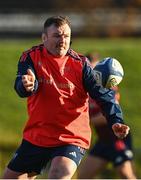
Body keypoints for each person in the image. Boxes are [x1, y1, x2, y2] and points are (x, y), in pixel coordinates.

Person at [2, 16, 129, 179]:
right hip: (38, 136)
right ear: (44, 37)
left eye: (67, 36)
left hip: (70, 137)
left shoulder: (81, 64)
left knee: (58, 174)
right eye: (57, 35)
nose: (63, 40)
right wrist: (25, 85)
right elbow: (23, 82)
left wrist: (116, 120)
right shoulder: (30, 57)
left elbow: (104, 95)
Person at [78, 53, 136, 179]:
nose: (95, 73)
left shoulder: (108, 87)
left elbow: (106, 116)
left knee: (126, 175)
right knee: (83, 176)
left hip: (117, 138)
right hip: (103, 141)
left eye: (96, 68)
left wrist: (81, 119)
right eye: (91, 69)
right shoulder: (85, 89)